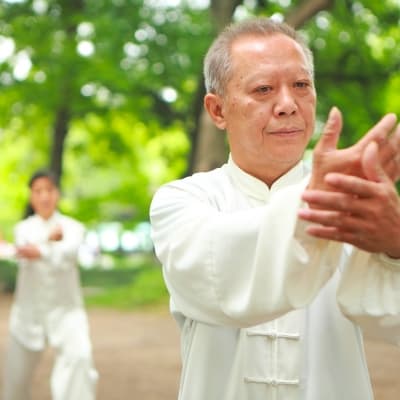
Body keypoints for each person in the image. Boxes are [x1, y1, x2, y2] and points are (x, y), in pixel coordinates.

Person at [150, 17, 400, 400]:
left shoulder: (359, 198)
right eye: (264, 89)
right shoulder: (183, 201)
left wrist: (394, 246)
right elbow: (215, 271)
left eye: (301, 85)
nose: (287, 105)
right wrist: (317, 198)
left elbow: (386, 318)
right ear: (217, 110)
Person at [2, 169, 98, 400]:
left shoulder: (73, 227)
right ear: (31, 196)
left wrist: (44, 249)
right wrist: (47, 243)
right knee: (15, 379)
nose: (44, 196)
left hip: (67, 311)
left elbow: (68, 251)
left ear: (57, 194)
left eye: (49, 190)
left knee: (80, 360)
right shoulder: (23, 228)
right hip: (28, 313)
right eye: (38, 191)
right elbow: (21, 250)